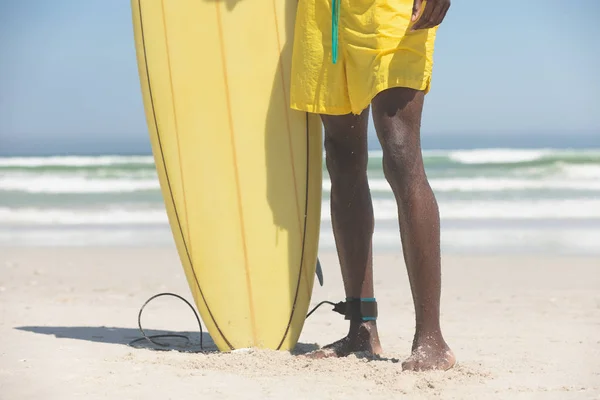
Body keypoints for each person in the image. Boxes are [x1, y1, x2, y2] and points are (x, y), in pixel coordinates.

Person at [290, 0, 456, 371]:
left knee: (400, 151)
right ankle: (361, 328)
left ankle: (432, 339)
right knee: (341, 158)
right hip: (322, 14)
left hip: (389, 10)